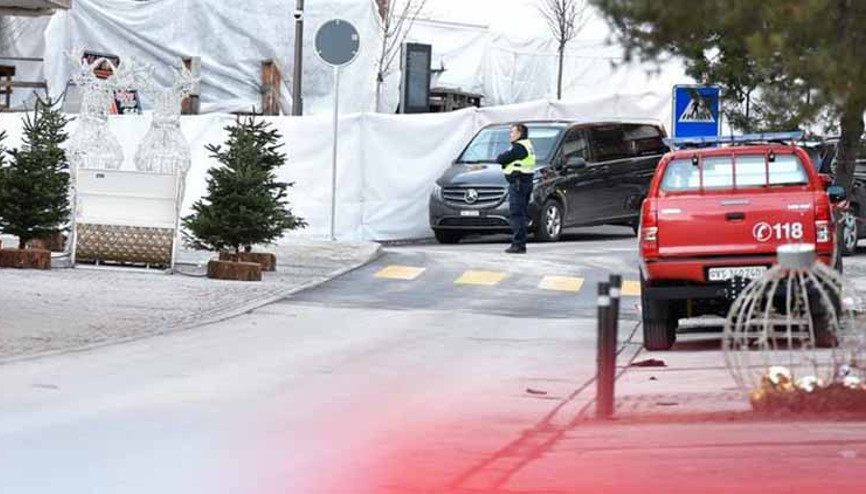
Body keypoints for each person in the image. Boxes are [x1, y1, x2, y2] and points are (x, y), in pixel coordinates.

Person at [496, 123, 536, 254]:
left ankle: (518, 245)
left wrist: (504, 158)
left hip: (518, 183)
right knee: (521, 214)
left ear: (519, 133)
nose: (510, 134)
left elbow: (501, 159)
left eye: (512, 132)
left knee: (517, 214)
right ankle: (520, 244)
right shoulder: (527, 145)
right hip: (525, 182)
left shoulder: (519, 147)